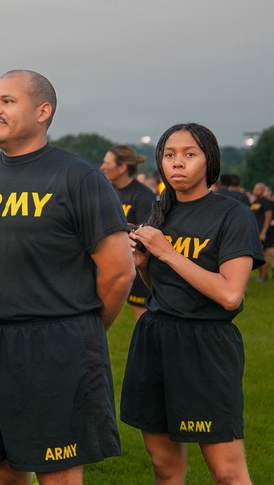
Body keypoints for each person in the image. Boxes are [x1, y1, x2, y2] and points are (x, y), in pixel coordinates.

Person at [0, 69, 134, 485]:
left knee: (57, 474)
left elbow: (119, 272)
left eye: (8, 101)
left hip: (55, 346)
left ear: (43, 111)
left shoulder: (78, 177)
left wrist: (79, 327)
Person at [122, 123, 264, 485]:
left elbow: (231, 294)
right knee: (164, 468)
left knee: (227, 472)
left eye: (189, 154)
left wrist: (167, 253)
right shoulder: (160, 213)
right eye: (169, 155)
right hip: (154, 339)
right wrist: (143, 266)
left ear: (209, 160)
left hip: (205, 345)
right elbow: (165, 290)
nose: (177, 163)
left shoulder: (232, 214)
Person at [101, 144, 157, 319]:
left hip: (138, 267)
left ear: (122, 167)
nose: (102, 167)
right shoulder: (110, 192)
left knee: (144, 320)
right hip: (113, 265)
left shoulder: (142, 195)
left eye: (106, 162)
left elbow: (146, 233)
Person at [252, 183, 274, 280]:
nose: (255, 190)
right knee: (257, 254)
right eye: (255, 188)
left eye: (258, 189)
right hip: (255, 231)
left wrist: (263, 232)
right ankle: (262, 275)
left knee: (263, 254)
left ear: (263, 190)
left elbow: (268, 218)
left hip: (263, 232)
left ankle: (263, 276)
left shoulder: (267, 203)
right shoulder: (255, 202)